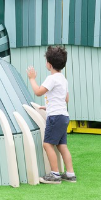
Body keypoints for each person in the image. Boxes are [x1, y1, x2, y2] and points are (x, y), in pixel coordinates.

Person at [27, 45, 76, 184]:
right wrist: (49, 106)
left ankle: (55, 175)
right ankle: (70, 173)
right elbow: (65, 99)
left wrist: (32, 78)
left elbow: (38, 92)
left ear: (49, 64)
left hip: (55, 117)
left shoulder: (52, 78)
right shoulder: (63, 79)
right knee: (62, 146)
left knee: (47, 145)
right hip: (63, 116)